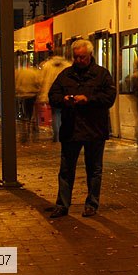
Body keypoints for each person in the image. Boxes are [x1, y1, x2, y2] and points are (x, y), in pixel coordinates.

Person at [48, 39, 116, 218]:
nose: (79, 60)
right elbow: (53, 95)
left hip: (94, 129)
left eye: (82, 57)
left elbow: (109, 97)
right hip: (71, 130)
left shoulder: (102, 75)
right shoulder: (65, 75)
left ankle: (91, 204)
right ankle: (62, 204)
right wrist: (64, 100)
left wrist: (88, 99)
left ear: (90, 56)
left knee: (94, 169)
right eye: (76, 57)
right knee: (66, 169)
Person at [39, 55, 69, 142]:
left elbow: (41, 80)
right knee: (65, 114)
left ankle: (57, 134)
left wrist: (42, 94)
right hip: (65, 94)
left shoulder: (47, 65)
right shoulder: (67, 65)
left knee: (55, 114)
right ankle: (64, 133)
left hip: (52, 94)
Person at [15, 65, 42, 143]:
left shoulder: (19, 72)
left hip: (21, 95)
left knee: (23, 113)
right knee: (31, 112)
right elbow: (38, 83)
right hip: (32, 95)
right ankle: (31, 125)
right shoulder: (34, 72)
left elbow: (15, 83)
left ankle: (24, 129)